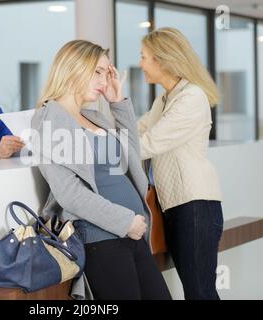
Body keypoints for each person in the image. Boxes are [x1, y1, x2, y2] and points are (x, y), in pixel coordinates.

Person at [31, 40, 172, 300]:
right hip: (102, 238)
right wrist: (125, 221)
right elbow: (69, 193)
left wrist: (118, 102)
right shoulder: (49, 119)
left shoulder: (94, 116)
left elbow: (130, 156)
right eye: (97, 72)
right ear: (73, 68)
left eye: (107, 73)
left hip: (132, 232)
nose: (104, 81)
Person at [137, 27, 223, 300]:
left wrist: (97, 148)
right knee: (197, 292)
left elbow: (148, 142)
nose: (140, 64)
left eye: (144, 57)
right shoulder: (164, 99)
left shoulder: (191, 97)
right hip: (176, 207)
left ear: (162, 60)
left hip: (195, 207)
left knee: (200, 293)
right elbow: (136, 130)